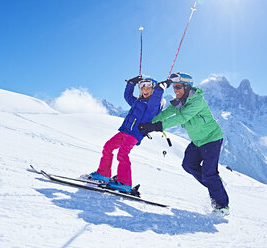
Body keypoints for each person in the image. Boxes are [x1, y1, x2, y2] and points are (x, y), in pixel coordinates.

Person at [138, 72, 230, 215]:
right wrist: (150, 122)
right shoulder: (180, 101)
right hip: (197, 141)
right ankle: (216, 184)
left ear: (187, 87)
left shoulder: (197, 101)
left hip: (211, 139)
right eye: (174, 88)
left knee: (209, 174)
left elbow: (181, 118)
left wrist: (157, 127)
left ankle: (222, 207)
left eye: (179, 87)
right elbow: (167, 113)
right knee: (188, 165)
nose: (176, 91)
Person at [85, 75, 167, 193]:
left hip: (135, 133)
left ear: (153, 90)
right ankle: (103, 174)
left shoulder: (153, 106)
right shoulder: (138, 101)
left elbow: (156, 98)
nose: (144, 90)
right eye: (142, 87)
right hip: (125, 131)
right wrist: (131, 83)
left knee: (122, 154)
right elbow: (127, 96)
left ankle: (124, 183)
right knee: (108, 146)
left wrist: (161, 88)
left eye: (148, 88)